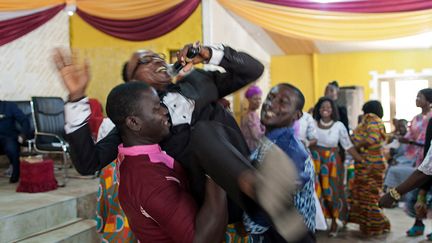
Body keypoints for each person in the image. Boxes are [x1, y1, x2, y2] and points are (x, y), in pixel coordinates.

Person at [53, 43, 299, 238]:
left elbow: (253, 70)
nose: (157, 60)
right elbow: (88, 162)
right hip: (212, 199)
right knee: (202, 132)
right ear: (132, 82)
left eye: (158, 56)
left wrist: (209, 53)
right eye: (145, 61)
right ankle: (259, 190)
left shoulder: (198, 83)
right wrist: (76, 98)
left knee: (208, 128)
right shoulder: (135, 123)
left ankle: (264, 194)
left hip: (242, 176)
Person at [105, 81, 228, 242]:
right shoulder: (148, 180)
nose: (165, 111)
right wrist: (218, 168)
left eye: (162, 104)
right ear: (134, 123)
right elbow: (201, 239)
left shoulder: (139, 153)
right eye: (156, 109)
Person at [244, 83, 316, 243]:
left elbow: (272, 203)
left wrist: (252, 187)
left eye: (283, 102)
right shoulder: (273, 140)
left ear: (297, 115)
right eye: (270, 97)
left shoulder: (290, 150)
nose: (271, 103)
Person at [310, 97, 364, 237]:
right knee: (316, 192)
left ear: (333, 110)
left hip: (332, 163)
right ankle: (317, 222)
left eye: (328, 107)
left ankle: (334, 222)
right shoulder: (312, 123)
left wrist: (360, 159)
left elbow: (347, 145)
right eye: (322, 107)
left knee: (332, 192)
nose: (325, 109)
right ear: (318, 109)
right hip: (315, 162)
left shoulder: (338, 126)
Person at [382, 88, 432, 237]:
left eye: (420, 97)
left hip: (426, 154)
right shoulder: (416, 118)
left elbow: (426, 141)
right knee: (419, 191)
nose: (417, 99)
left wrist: (393, 195)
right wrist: (403, 138)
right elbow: (410, 135)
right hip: (419, 157)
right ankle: (418, 223)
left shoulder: (430, 118)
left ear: (429, 100)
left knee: (426, 190)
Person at [348, 100, 390, 236]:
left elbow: (371, 138)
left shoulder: (370, 118)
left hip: (369, 164)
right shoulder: (378, 121)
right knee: (369, 195)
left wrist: (356, 147)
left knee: (369, 196)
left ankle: (377, 225)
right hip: (373, 163)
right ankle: (372, 226)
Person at [0, 100, 30, 183]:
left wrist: (23, 134)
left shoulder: (9, 106)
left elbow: (24, 120)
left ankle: (16, 172)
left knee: (11, 147)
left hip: (8, 137)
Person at [240, 85, 265, 151]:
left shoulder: (252, 114)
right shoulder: (251, 116)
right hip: (251, 150)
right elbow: (257, 136)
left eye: (259, 99)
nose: (258, 101)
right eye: (255, 99)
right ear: (249, 99)